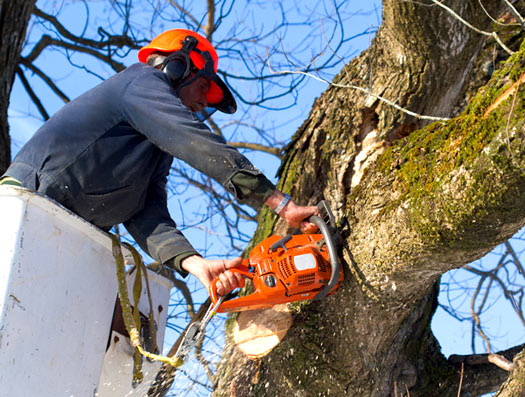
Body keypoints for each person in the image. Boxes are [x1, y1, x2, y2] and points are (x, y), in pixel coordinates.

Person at [0, 29, 317, 296]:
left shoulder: (155, 145)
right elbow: (194, 140)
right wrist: (281, 204)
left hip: (63, 235)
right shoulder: (140, 83)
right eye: (204, 86)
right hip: (26, 206)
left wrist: (195, 264)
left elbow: (146, 212)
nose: (203, 102)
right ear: (176, 67)